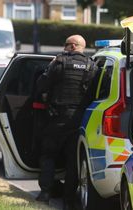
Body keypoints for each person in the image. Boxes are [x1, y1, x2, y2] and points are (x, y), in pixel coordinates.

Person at [34, 35, 97, 209]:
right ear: (81, 47)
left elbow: (41, 85)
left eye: (65, 45)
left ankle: (45, 194)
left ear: (71, 46)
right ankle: (69, 200)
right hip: (79, 121)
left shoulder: (59, 62)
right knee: (73, 162)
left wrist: (49, 67)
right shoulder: (92, 66)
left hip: (57, 118)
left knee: (48, 155)